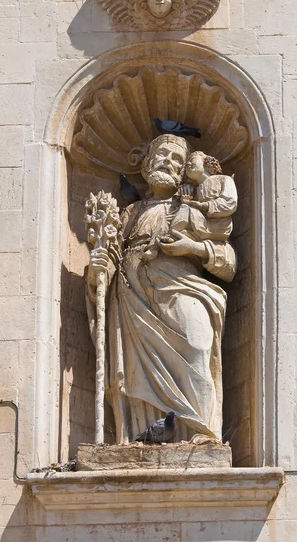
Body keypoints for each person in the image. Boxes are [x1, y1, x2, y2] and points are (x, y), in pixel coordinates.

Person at [87, 135, 237, 443]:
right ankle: (137, 439)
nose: (168, 161)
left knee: (196, 348)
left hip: (182, 289)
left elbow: (229, 264)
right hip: (132, 299)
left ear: (183, 172)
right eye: (161, 155)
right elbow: (110, 263)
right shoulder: (129, 215)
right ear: (144, 165)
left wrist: (191, 248)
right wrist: (98, 270)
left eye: (176, 159)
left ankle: (204, 433)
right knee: (134, 373)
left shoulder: (192, 211)